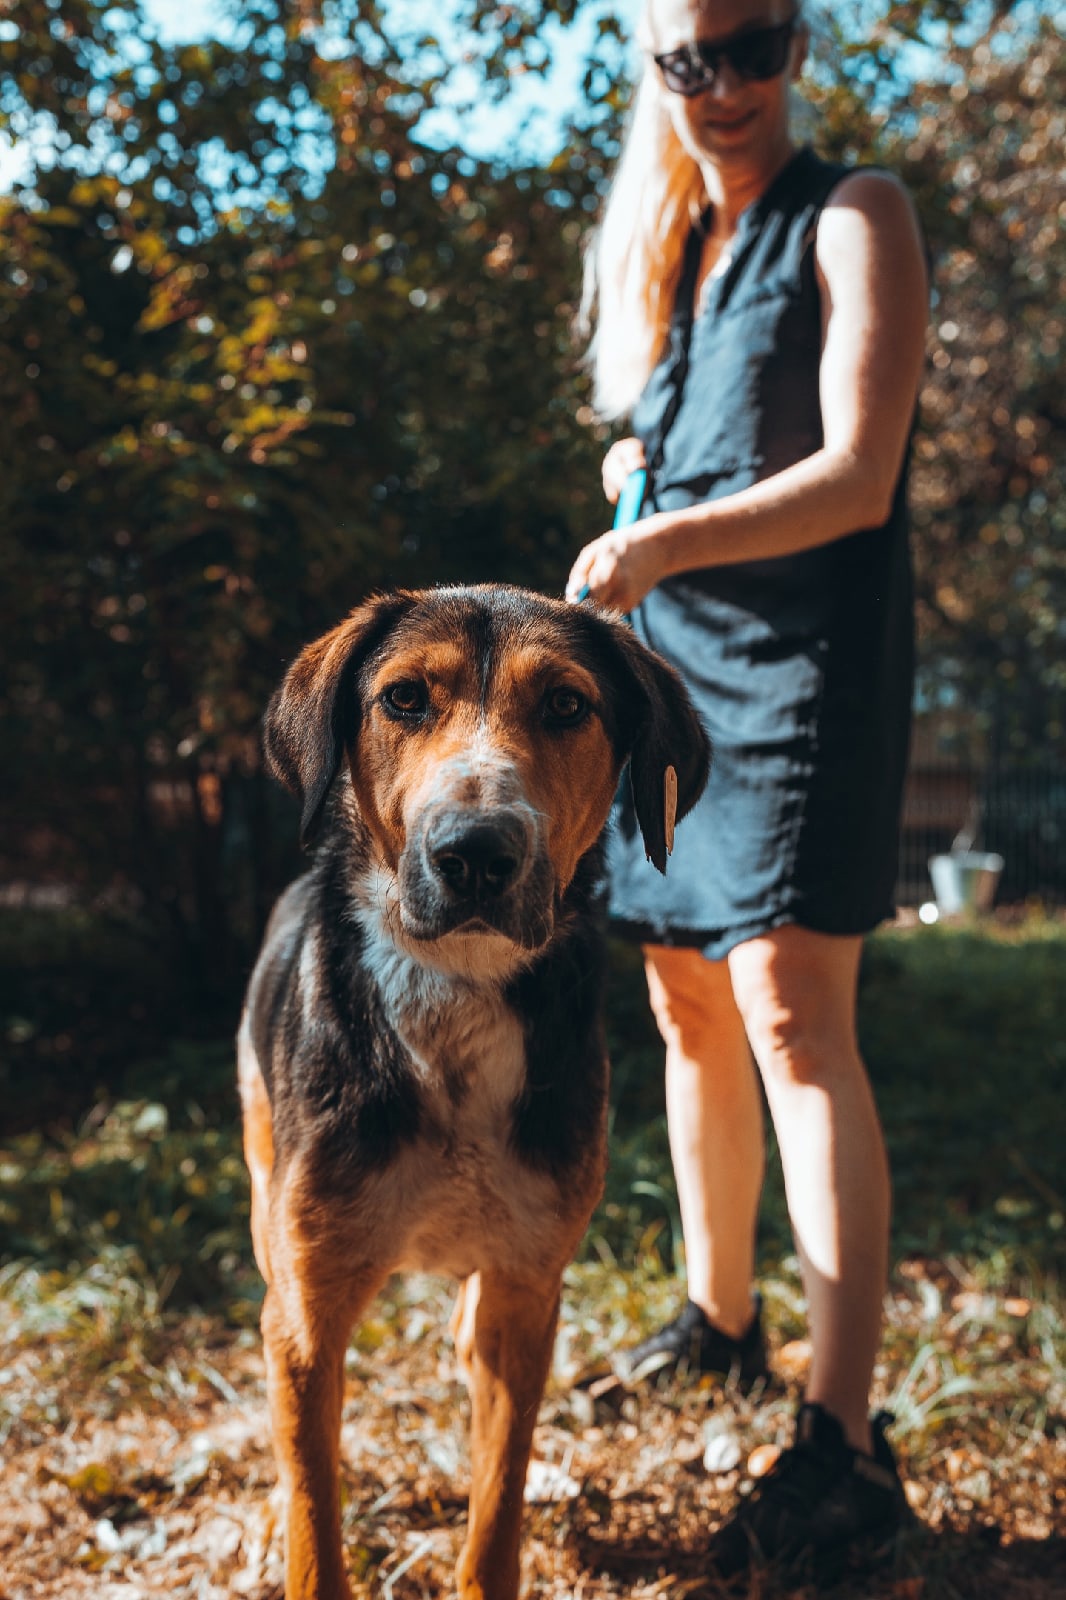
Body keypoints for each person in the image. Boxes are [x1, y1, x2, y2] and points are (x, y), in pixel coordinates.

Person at [566, 0, 928, 1579]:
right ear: (653, 67)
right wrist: (634, 486)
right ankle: (720, 1320)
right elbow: (684, 451)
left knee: (790, 1014)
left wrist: (653, 543)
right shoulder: (665, 248)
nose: (722, 87)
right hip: (681, 669)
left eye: (753, 44)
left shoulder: (858, 213)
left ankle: (839, 1439)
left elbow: (860, 471)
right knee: (682, 1004)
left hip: (807, 665)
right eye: (685, 59)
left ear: (799, 43)